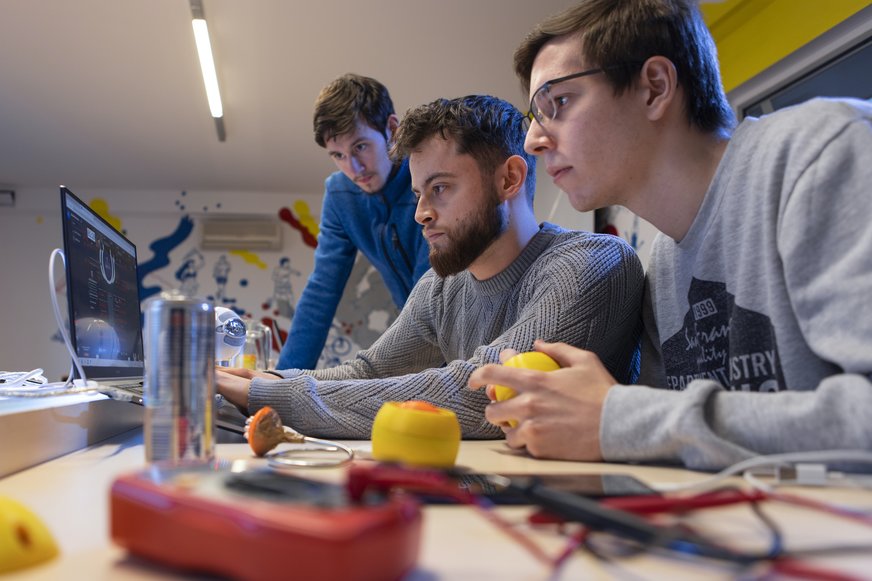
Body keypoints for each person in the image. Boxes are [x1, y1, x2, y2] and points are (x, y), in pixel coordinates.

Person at [469, 0, 872, 470]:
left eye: (557, 102)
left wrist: (620, 417)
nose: (532, 141)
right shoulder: (664, 265)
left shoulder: (821, 152)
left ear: (655, 87)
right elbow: (672, 444)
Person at [217, 95, 644, 438]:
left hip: (579, 510)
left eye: (440, 188)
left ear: (509, 179)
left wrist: (268, 395)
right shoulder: (441, 287)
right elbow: (369, 371)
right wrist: (267, 379)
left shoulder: (592, 263)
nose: (422, 213)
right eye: (419, 194)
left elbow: (480, 393)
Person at [276, 74, 431, 370]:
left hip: (459, 329)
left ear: (392, 129)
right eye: (338, 155)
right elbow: (322, 291)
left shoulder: (427, 177)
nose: (354, 168)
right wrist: (279, 380)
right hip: (413, 331)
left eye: (360, 147)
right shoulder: (340, 195)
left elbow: (429, 289)